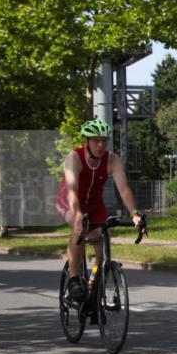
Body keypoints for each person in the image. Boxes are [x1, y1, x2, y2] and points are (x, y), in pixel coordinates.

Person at [56, 119, 143, 300]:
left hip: (95, 205)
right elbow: (72, 189)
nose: (101, 145)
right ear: (86, 141)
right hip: (70, 201)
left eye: (104, 141)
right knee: (79, 229)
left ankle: (92, 283)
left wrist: (135, 213)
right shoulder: (74, 158)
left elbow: (124, 189)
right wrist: (77, 214)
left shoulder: (112, 160)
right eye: (96, 141)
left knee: (102, 248)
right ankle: (73, 279)